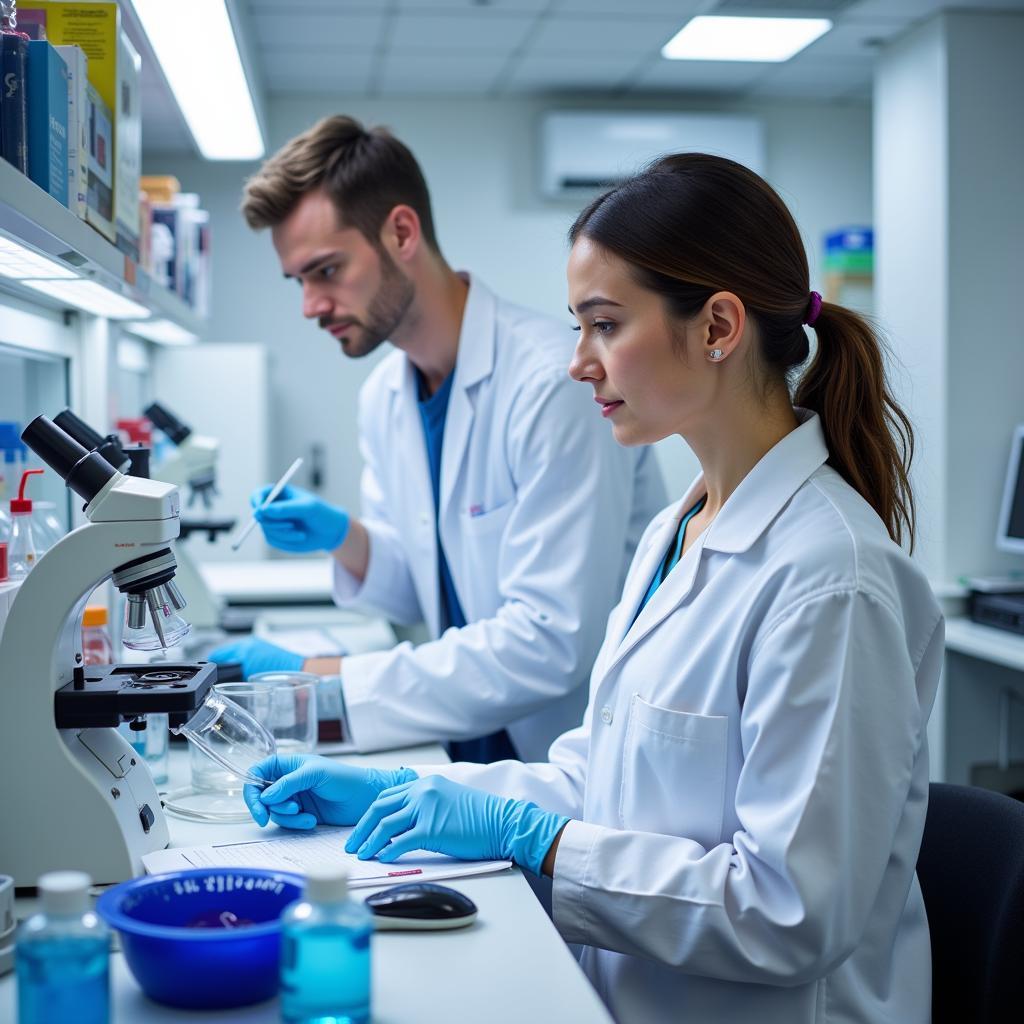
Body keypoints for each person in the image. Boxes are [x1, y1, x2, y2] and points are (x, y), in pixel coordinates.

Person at [242, 153, 944, 1024]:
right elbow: (607, 774)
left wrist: (537, 842)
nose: (579, 363)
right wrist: (430, 798)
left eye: (604, 325)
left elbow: (789, 912)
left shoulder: (831, 579)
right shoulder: (682, 529)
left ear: (718, 325)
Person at [209, 116, 666, 762]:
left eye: (327, 271)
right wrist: (346, 538)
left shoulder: (550, 385)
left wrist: (322, 674)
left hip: (571, 759)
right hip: (464, 739)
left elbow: (551, 642)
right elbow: (419, 587)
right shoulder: (385, 398)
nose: (310, 305)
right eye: (299, 282)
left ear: (400, 233)